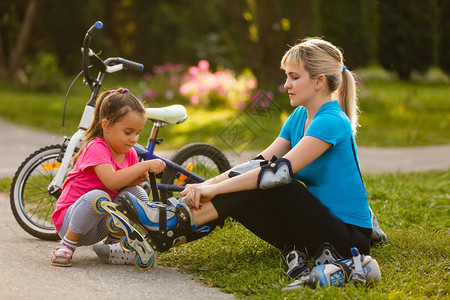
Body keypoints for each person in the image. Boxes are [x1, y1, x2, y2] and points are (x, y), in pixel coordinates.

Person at [98, 37, 386, 266]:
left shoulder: (332, 121)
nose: (286, 85)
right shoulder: (300, 117)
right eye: (287, 76)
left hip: (347, 241)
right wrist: (207, 185)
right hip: (313, 230)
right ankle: (165, 233)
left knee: (272, 182)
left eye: (294, 77)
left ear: (319, 81)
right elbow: (259, 161)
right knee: (250, 181)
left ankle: (167, 224)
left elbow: (277, 173)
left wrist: (215, 191)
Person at [50, 88, 166, 267]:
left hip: (99, 225)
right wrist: (143, 165)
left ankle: (114, 244)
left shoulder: (131, 154)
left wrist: (133, 180)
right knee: (98, 196)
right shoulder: (96, 147)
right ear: (106, 125)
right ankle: (66, 245)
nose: (134, 139)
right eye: (128, 132)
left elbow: (119, 186)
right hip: (70, 221)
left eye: (138, 133)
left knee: (137, 194)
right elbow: (110, 181)